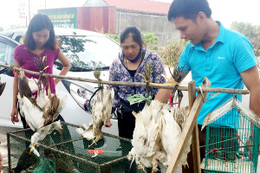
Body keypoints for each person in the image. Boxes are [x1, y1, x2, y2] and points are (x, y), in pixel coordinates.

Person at [155, 0, 260, 172]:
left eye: (184, 28)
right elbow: (173, 81)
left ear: (201, 17)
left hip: (223, 132)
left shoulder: (237, 44)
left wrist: (255, 137)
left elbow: (256, 89)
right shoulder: (190, 50)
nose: (181, 35)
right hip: (193, 128)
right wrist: (152, 113)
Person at [10, 13, 71, 126]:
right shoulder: (20, 50)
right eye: (38, 35)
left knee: (61, 135)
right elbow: (16, 79)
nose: (42, 39)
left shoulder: (53, 49)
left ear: (50, 34)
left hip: (49, 101)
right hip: (28, 103)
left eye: (45, 36)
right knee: (33, 139)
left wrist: (54, 82)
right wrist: (14, 106)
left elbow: (67, 65)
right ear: (31, 33)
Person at [109, 26, 166, 140]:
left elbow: (163, 88)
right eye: (125, 47)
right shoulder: (116, 64)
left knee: (149, 150)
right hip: (126, 116)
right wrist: (107, 114)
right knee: (127, 151)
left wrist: (159, 112)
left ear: (141, 43)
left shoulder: (153, 60)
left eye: (133, 46)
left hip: (149, 115)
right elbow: (112, 91)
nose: (130, 51)